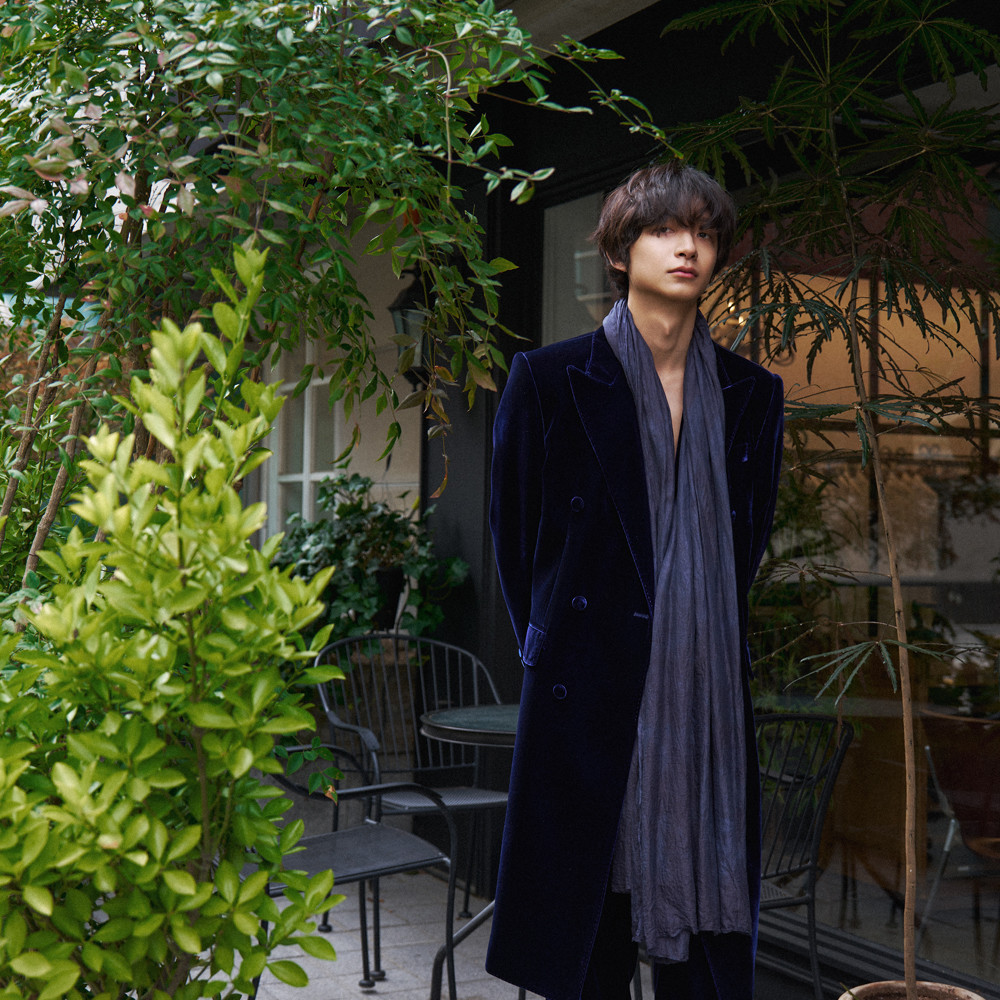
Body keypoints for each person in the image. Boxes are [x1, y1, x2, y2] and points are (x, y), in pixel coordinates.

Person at [486, 162, 784, 1000]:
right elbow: (517, 539)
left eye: (705, 232)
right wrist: (556, 646)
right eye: (664, 229)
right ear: (620, 252)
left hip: (706, 702)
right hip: (586, 693)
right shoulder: (549, 381)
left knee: (706, 966)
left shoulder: (753, 396)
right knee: (588, 949)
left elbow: (746, 542)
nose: (688, 247)